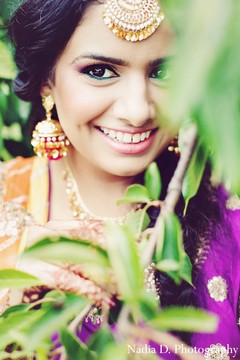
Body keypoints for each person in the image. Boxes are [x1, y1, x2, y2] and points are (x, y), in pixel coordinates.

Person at [0, 0, 239, 358]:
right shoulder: (8, 199)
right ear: (46, 81)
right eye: (99, 71)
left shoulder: (228, 208)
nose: (137, 110)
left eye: (165, 71)